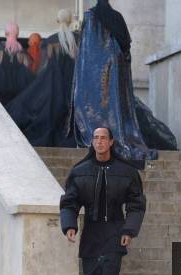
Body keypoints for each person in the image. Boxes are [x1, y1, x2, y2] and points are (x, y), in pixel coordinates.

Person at [60, 127, 146, 275]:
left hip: (114, 232)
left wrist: (129, 230)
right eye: (95, 138)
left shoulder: (126, 172)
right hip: (90, 233)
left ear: (111, 142)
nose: (99, 142)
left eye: (103, 138)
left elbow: (136, 205)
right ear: (92, 142)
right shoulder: (80, 171)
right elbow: (69, 201)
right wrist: (69, 225)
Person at [66, 0, 159, 162]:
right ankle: (107, 135)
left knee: (96, 106)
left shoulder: (90, 17)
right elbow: (125, 46)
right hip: (115, 71)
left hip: (94, 74)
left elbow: (85, 51)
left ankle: (99, 135)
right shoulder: (116, 17)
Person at [6, 9, 80, 147]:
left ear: (57, 21)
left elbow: (45, 67)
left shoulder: (50, 41)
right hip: (73, 85)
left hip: (53, 86)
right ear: (70, 21)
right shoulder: (77, 39)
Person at [0, 22, 34, 105]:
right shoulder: (24, 54)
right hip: (16, 98)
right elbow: (27, 79)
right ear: (17, 34)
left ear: (5, 33)